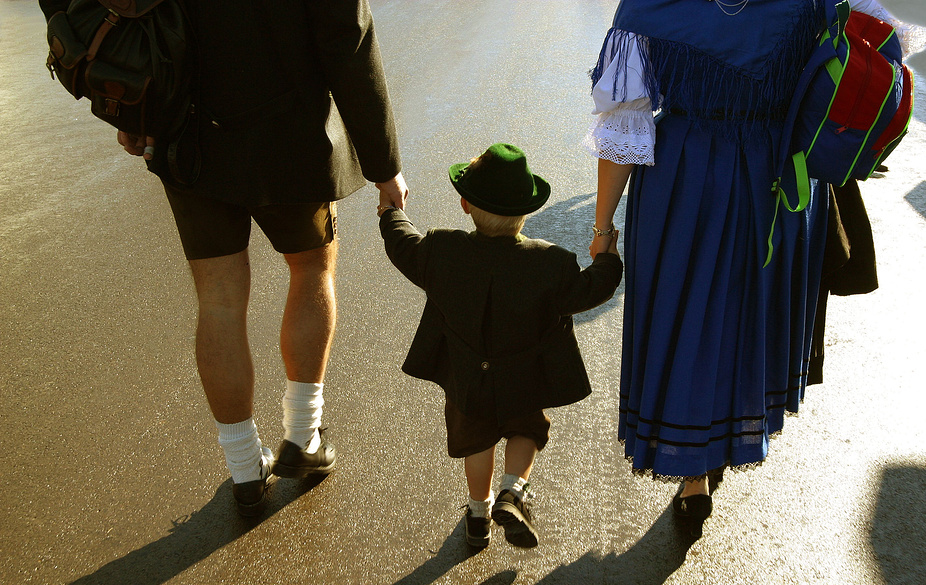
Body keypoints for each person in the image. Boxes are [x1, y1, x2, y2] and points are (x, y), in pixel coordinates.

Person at [38, 0, 409, 516]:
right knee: (311, 270)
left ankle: (243, 468)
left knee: (218, 300)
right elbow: (347, 38)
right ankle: (303, 437)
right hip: (292, 137)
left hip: (185, 132)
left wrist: (118, 91)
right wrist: (384, 163)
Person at [584, 0, 830, 538]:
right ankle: (729, 435)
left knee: (690, 314)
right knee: (747, 317)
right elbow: (888, 41)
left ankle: (693, 470)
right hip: (778, 177)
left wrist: (603, 230)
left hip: (687, 176)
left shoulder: (649, 8)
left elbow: (623, 126)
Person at [379, 144, 623, 548]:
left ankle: (478, 515)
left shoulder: (442, 251)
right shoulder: (551, 263)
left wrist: (391, 213)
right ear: (525, 212)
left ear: (465, 205)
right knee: (526, 428)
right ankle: (513, 491)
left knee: (476, 439)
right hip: (525, 375)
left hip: (466, 378)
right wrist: (607, 258)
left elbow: (403, 245)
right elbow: (592, 288)